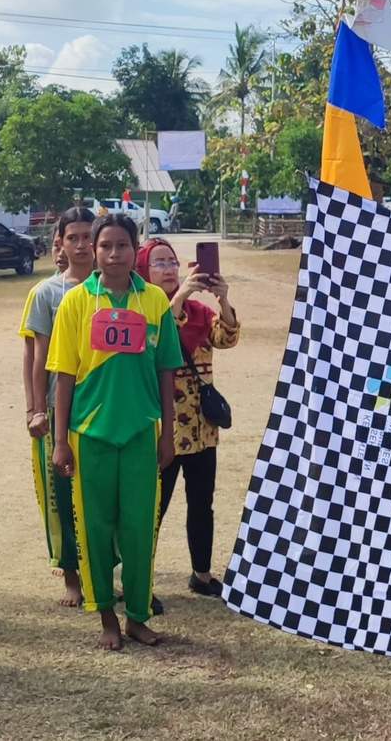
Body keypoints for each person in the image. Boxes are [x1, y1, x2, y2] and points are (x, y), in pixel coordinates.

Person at [48, 214, 182, 650]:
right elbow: (64, 375)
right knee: (96, 529)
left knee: (140, 529)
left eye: (121, 245)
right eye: (105, 246)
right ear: (92, 250)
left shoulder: (155, 303)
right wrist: (60, 439)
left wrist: (167, 432)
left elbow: (166, 372)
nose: (111, 254)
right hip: (91, 435)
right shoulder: (76, 302)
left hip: (142, 432)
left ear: (134, 249)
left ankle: (137, 617)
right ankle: (106, 616)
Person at [136, 237, 240, 598]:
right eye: (159, 263)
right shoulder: (142, 312)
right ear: (144, 271)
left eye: (172, 263)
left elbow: (226, 339)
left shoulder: (199, 313)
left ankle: (201, 572)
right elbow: (157, 340)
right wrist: (179, 298)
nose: (169, 269)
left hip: (200, 429)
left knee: (202, 503)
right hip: (161, 428)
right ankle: (139, 579)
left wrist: (223, 299)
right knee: (152, 507)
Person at [23, 209, 90, 607]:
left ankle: (102, 569)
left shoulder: (115, 290)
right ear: (60, 243)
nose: (81, 246)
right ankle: (70, 575)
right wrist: (36, 409)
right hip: (57, 408)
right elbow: (36, 356)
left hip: (102, 406)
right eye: (73, 238)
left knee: (99, 497)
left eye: (87, 237)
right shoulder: (47, 293)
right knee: (62, 495)